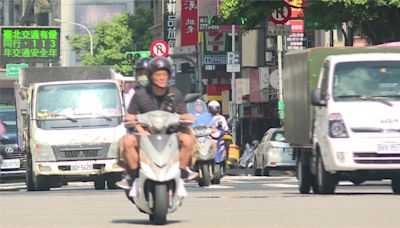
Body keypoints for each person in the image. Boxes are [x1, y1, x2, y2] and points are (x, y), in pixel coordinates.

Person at [116, 57, 198, 189]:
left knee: (188, 139)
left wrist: (188, 118)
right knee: (126, 141)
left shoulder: (175, 94)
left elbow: (184, 114)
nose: (161, 78)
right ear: (150, 77)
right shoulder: (140, 95)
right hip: (144, 135)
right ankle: (132, 175)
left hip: (171, 135)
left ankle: (183, 170)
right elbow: (129, 116)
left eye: (165, 75)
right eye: (158, 75)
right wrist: (134, 122)